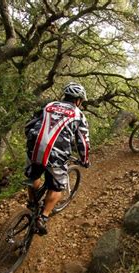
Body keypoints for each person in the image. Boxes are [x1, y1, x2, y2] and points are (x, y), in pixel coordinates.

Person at [25, 82, 90, 235]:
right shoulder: (78, 114)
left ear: (64, 96)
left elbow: (28, 125)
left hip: (33, 146)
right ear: (79, 100)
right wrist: (85, 160)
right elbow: (83, 142)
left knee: (33, 175)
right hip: (57, 153)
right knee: (56, 187)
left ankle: (32, 203)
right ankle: (43, 217)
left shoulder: (48, 106)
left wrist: (31, 142)